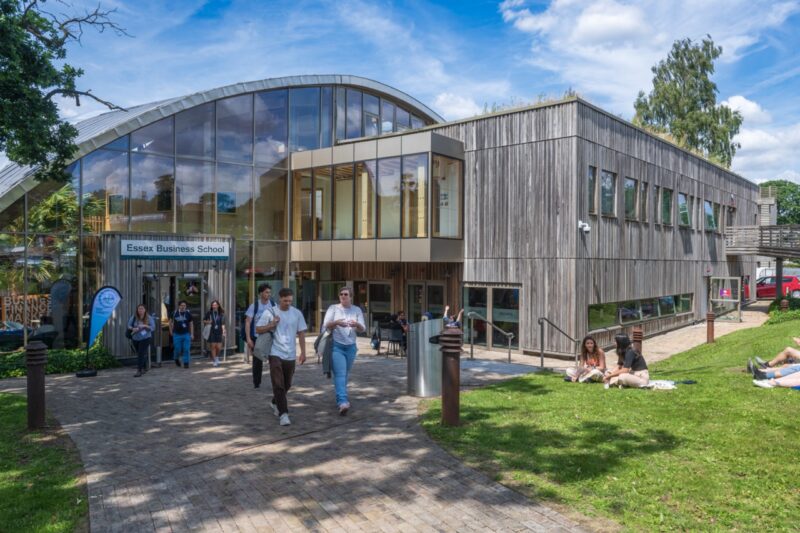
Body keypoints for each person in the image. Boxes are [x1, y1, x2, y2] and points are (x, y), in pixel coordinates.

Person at [255, 288, 307, 426]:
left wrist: (303, 352)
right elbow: (258, 329)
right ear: (280, 298)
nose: (288, 303)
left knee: (287, 384)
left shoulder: (296, 313)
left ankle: (274, 402)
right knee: (278, 384)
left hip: (290, 353)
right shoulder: (271, 312)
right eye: (285, 301)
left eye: (290, 300)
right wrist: (272, 324)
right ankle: (284, 414)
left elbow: (301, 333)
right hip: (275, 352)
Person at [323, 286, 366, 415]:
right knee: (340, 374)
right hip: (337, 346)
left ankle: (340, 396)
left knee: (344, 374)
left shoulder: (356, 310)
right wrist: (336, 322)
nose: (343, 296)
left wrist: (356, 324)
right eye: (341, 294)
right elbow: (326, 324)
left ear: (351, 296)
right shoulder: (333, 308)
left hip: (351, 347)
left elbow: (362, 328)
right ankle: (342, 401)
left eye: (346, 294)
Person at [245, 283, 276, 388]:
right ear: (261, 293)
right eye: (266, 292)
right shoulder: (254, 306)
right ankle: (256, 382)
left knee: (274, 359)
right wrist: (249, 338)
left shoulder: (273, 304)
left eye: (269, 292)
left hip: (270, 336)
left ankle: (275, 381)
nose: (269, 294)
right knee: (257, 361)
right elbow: (248, 322)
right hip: (257, 336)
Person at [128, 304, 155, 377]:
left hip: (146, 338)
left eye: (142, 309)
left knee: (140, 353)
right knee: (140, 353)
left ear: (145, 310)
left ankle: (139, 370)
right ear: (137, 310)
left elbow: (153, 328)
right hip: (135, 338)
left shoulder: (149, 317)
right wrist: (133, 328)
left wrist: (145, 326)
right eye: (139, 309)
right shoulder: (134, 317)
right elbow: (129, 325)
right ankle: (144, 366)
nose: (140, 310)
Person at [169, 300, 194, 368]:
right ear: (179, 306)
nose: (183, 307)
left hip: (186, 334)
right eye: (181, 305)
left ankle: (186, 362)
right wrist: (171, 331)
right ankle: (176, 358)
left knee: (186, 348)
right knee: (177, 348)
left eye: (184, 305)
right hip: (176, 334)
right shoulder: (174, 313)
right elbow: (170, 323)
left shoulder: (188, 313)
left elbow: (191, 324)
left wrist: (192, 334)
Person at [204, 300, 226, 368]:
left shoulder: (221, 313)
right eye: (213, 305)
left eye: (215, 305)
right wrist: (208, 322)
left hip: (219, 331)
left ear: (218, 305)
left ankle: (217, 357)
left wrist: (224, 330)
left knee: (219, 347)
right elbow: (204, 320)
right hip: (211, 331)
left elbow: (223, 323)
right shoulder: (209, 313)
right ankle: (214, 361)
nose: (214, 306)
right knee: (213, 346)